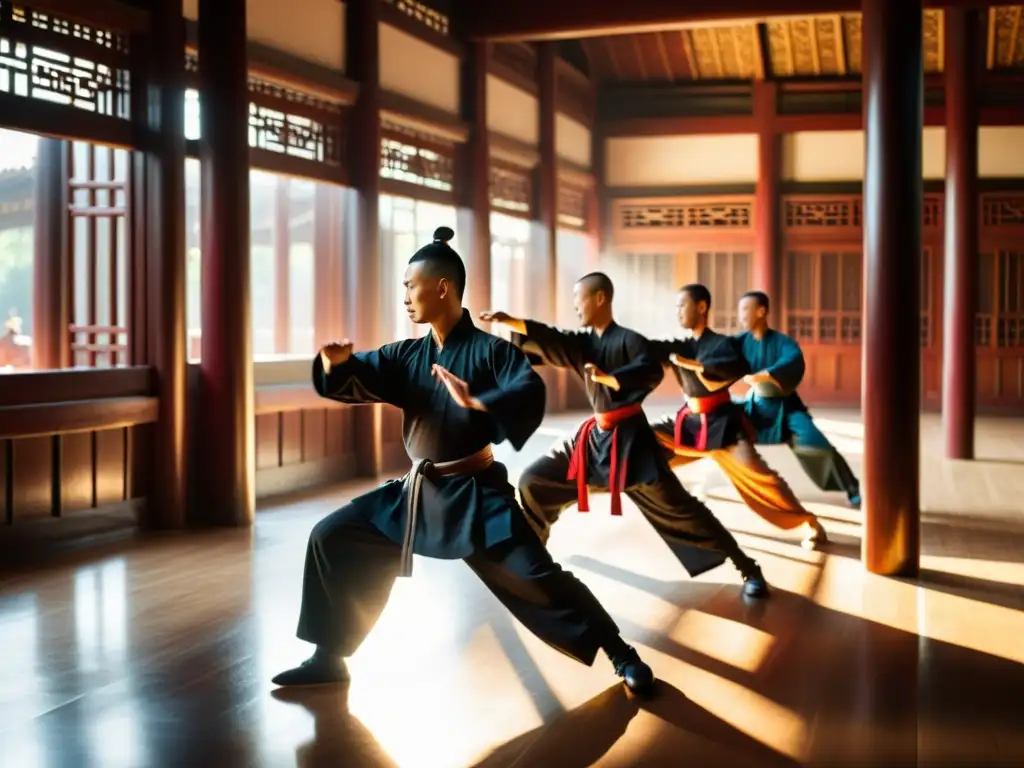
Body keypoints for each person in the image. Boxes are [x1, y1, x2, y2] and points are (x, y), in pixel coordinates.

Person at [272, 229, 654, 695]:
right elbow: (363, 373)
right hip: (419, 494)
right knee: (332, 537)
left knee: (537, 576)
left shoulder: (493, 351)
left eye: (410, 286)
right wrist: (336, 366)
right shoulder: (406, 353)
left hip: (477, 493)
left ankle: (621, 653)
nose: (405, 297)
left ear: (442, 288)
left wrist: (480, 402)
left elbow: (527, 390)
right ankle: (329, 656)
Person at [481, 272, 769, 600]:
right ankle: (533, 568)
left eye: (580, 298)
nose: (576, 305)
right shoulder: (585, 343)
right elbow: (555, 338)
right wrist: (513, 322)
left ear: (600, 298)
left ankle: (748, 567)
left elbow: (649, 369)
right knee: (533, 480)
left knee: (685, 510)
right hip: (593, 440)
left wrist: (613, 379)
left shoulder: (631, 341)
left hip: (633, 446)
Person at [647, 284, 827, 550]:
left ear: (701, 307)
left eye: (682, 305)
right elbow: (650, 350)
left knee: (763, 478)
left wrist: (699, 367)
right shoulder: (680, 345)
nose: (678, 312)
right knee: (643, 438)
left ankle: (809, 523)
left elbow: (733, 367)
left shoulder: (723, 344)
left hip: (722, 426)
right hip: (690, 424)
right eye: (676, 307)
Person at [735, 291, 861, 508]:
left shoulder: (782, 342)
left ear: (761, 311)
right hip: (754, 406)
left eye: (746, 309)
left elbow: (792, 359)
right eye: (740, 310)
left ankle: (851, 487)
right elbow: (717, 356)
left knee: (818, 444)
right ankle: (756, 488)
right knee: (720, 426)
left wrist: (767, 374)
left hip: (785, 407)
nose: (741, 315)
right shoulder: (738, 342)